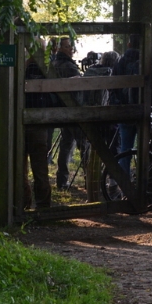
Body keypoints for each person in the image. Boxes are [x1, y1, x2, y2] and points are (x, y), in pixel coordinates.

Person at [53, 36, 87, 189]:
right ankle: (90, 179)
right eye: (67, 46)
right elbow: (80, 88)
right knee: (83, 145)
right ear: (60, 48)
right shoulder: (68, 66)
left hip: (62, 110)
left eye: (71, 46)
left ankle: (61, 180)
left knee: (65, 145)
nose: (71, 49)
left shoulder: (54, 64)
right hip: (73, 110)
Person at [24, 40, 52, 209]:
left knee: (21, 169)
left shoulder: (22, 69)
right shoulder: (48, 70)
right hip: (39, 123)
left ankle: (22, 204)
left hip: (23, 123)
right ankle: (43, 205)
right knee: (40, 167)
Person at [110, 34, 141, 176]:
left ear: (128, 45)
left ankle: (125, 186)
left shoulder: (120, 63)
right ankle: (144, 184)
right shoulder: (147, 62)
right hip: (143, 112)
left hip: (125, 111)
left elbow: (113, 87)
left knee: (125, 150)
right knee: (146, 149)